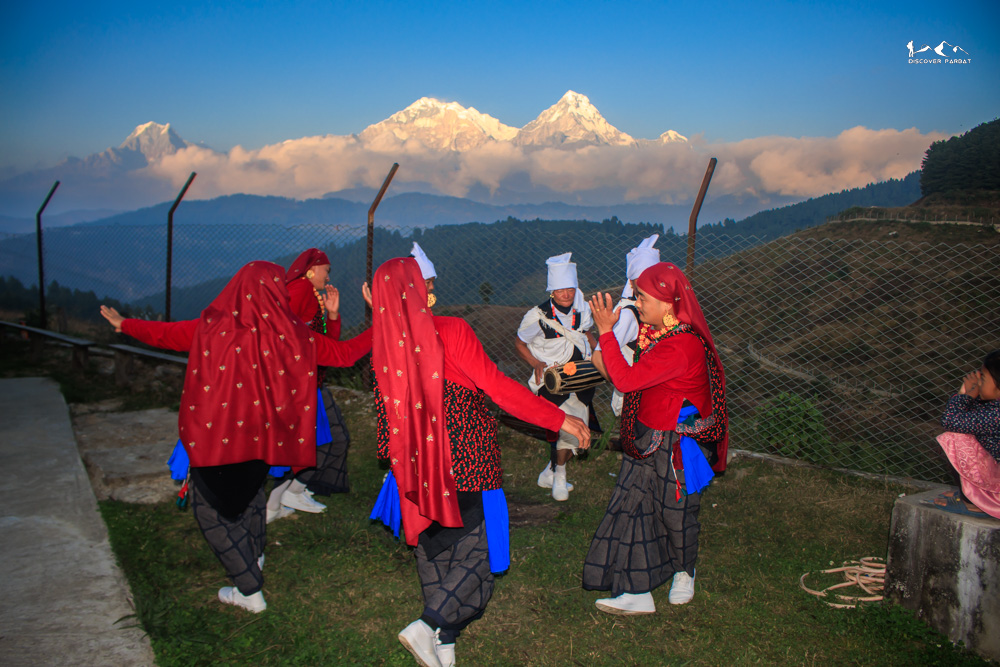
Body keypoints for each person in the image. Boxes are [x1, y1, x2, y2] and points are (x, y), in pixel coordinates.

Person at [100, 261, 372, 613]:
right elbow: (345, 354)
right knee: (250, 502)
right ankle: (253, 560)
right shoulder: (294, 335)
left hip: (215, 442)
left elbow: (166, 333)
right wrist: (382, 322)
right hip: (264, 442)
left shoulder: (210, 328)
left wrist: (125, 325)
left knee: (210, 511)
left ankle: (248, 589)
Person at [369, 257, 590, 667]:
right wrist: (559, 417)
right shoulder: (451, 331)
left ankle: (442, 644)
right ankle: (428, 623)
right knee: (481, 554)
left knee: (435, 548)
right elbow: (499, 389)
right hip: (466, 460)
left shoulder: (383, 347)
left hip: (417, 466)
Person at [582, 262, 728, 615]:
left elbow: (627, 381)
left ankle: (684, 570)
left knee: (675, 511)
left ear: (667, 304)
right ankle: (637, 589)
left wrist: (605, 331)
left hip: (674, 444)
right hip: (650, 436)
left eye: (643, 297)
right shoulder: (661, 335)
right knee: (635, 506)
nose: (638, 303)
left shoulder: (680, 346)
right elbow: (633, 374)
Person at [266, 248, 354, 521]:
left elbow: (326, 345)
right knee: (320, 440)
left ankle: (288, 494)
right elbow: (287, 337)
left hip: (310, 379)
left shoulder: (307, 292)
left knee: (324, 438)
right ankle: (282, 497)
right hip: (300, 382)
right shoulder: (301, 289)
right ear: (311, 270)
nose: (328, 277)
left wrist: (332, 316)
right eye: (326, 270)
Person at [514, 252, 597, 501]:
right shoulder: (537, 317)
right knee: (568, 429)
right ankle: (559, 475)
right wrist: (535, 362)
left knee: (580, 430)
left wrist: (599, 358)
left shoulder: (582, 311)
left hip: (581, 379)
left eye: (570, 289)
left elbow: (588, 336)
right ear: (552, 290)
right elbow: (519, 343)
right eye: (560, 290)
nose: (566, 294)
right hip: (552, 381)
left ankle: (549, 471)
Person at [592, 234, 660, 417]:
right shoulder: (628, 314)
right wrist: (625, 385)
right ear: (631, 282)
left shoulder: (658, 309)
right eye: (642, 278)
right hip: (635, 402)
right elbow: (598, 356)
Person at [938, 350, 1000, 517]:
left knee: (954, 439)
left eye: (984, 378)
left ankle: (975, 502)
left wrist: (965, 396)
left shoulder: (996, 414)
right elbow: (967, 419)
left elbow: (951, 422)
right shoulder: (994, 407)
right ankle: (976, 495)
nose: (979, 381)